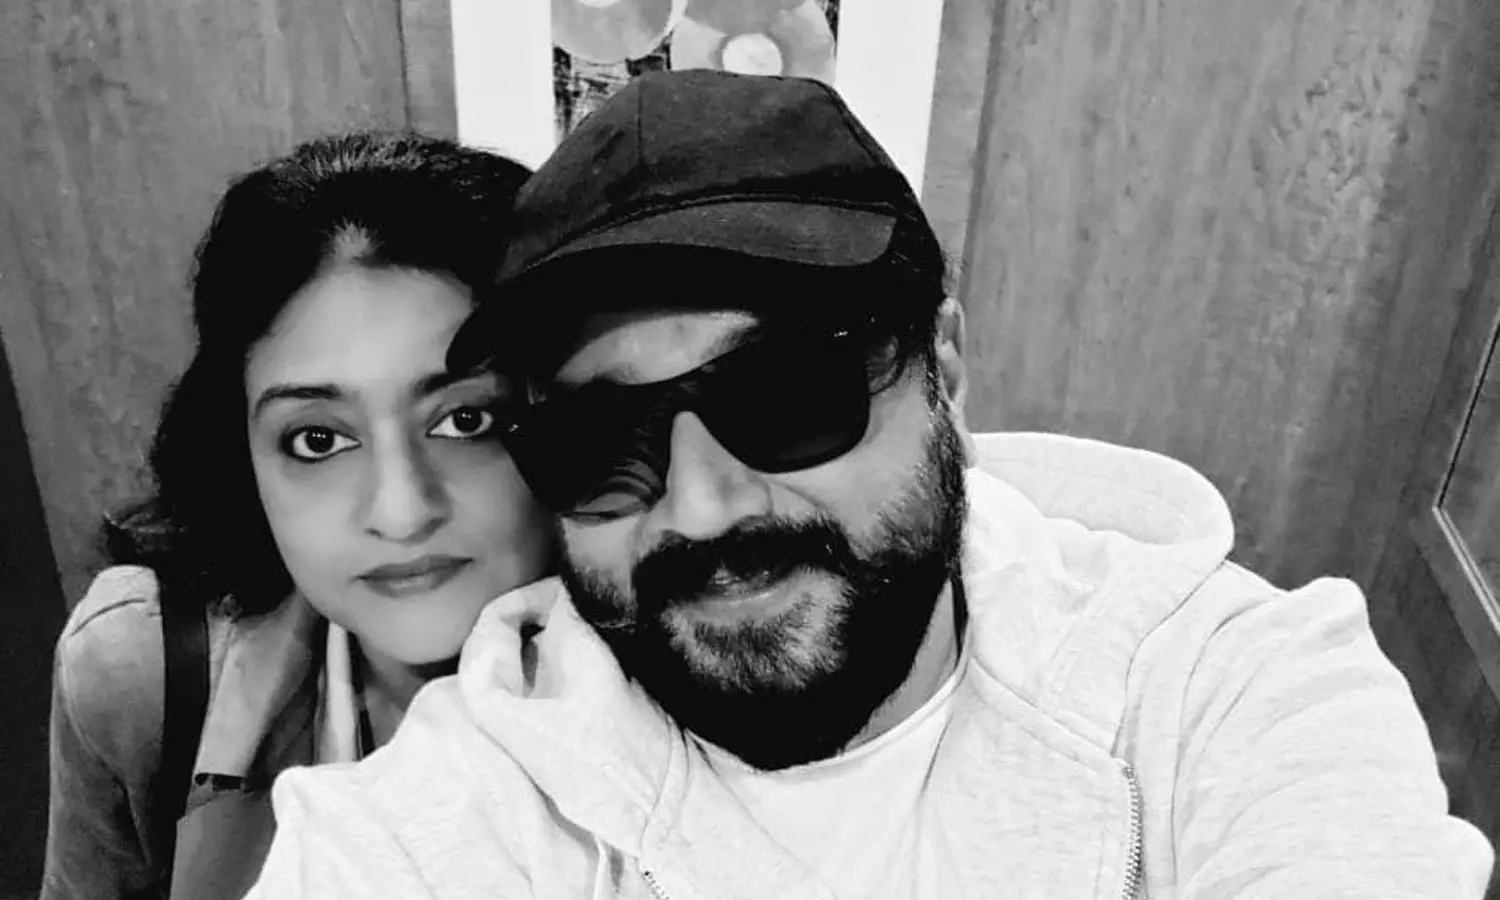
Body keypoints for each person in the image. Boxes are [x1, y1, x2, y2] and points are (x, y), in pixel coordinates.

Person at [247, 71, 1495, 899]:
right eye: (601, 441)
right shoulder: (443, 810)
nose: (702, 505)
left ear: (944, 367)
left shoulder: (1232, 692)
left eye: (786, 392)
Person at [41, 131, 553, 900]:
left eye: (465, 421)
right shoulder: (144, 675)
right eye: (319, 440)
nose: (401, 512)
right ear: (241, 453)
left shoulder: (693, 658)